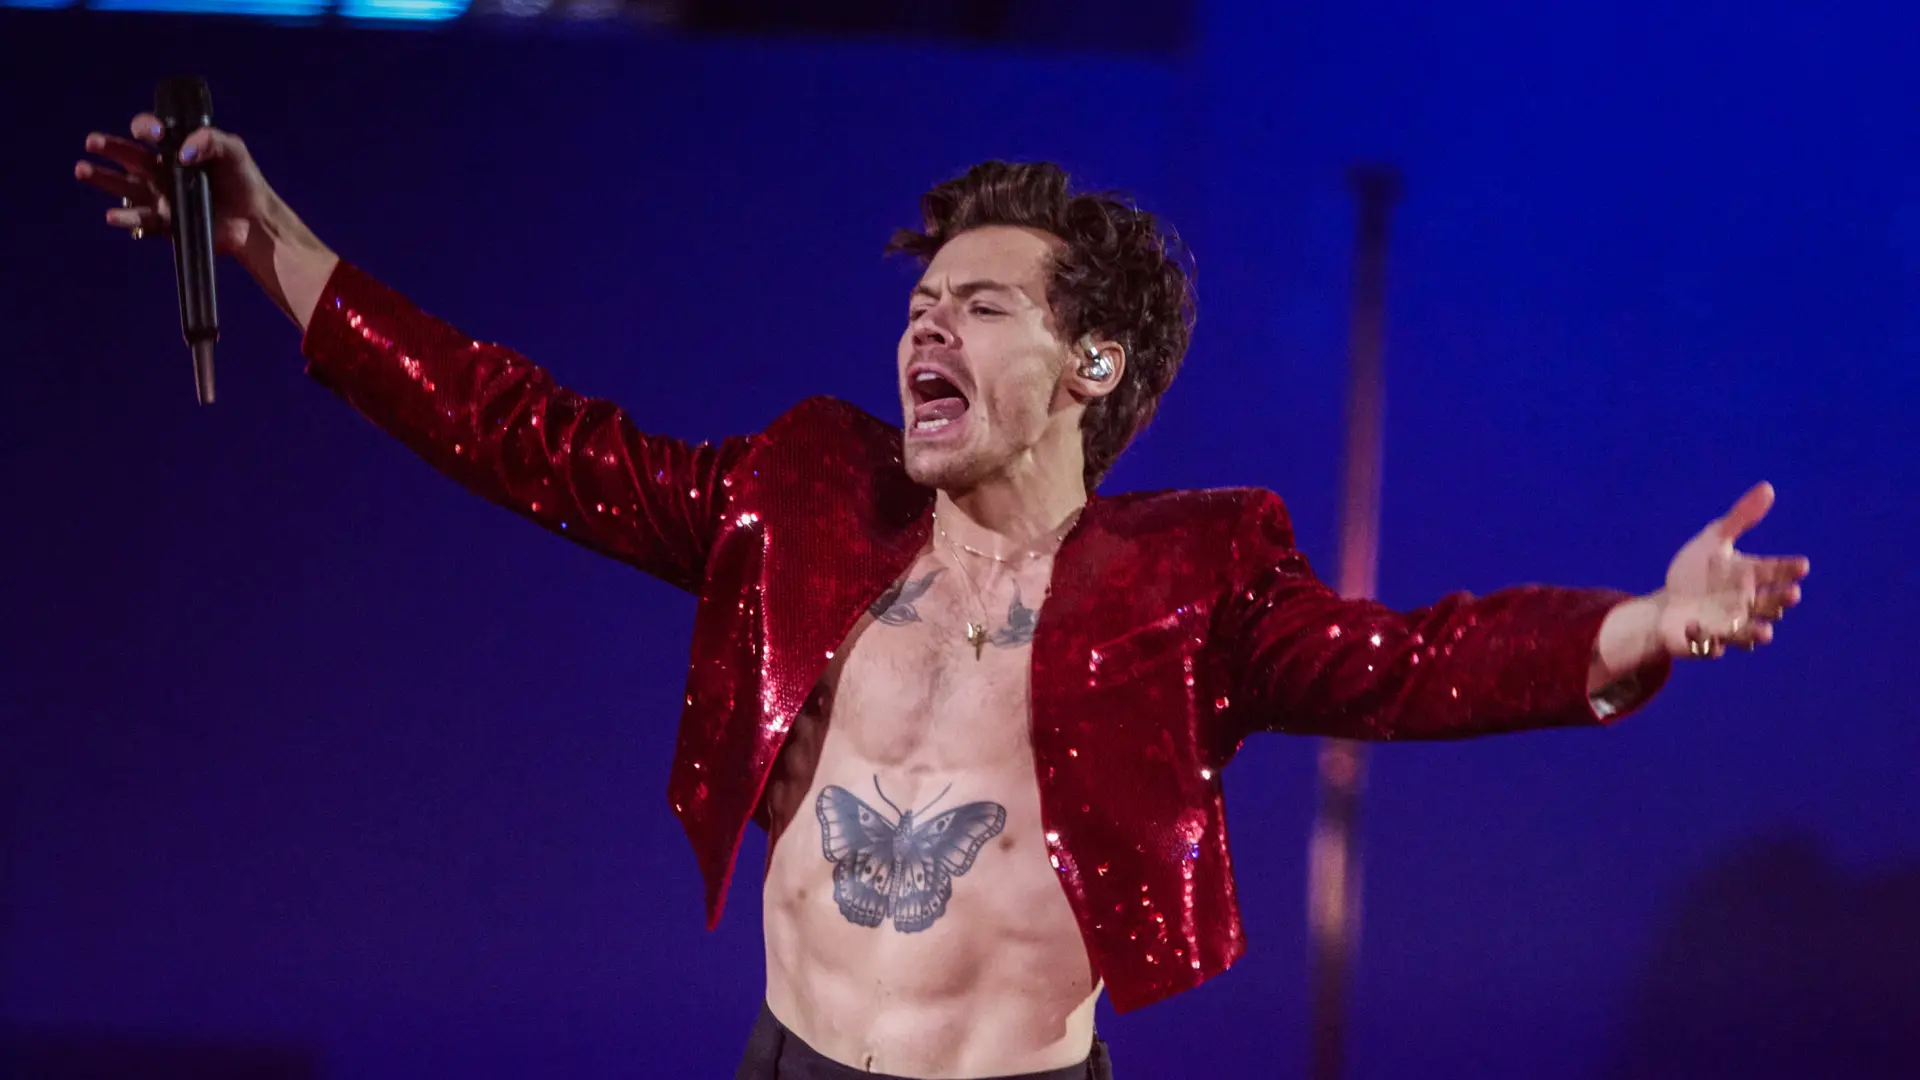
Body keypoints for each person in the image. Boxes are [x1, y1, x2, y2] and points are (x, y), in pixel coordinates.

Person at [75, 113, 1809, 1080]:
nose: (927, 323)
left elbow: (1408, 660)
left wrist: (1640, 624)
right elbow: (526, 435)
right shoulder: (799, 505)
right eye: (922, 304)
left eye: (982, 306)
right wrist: (273, 247)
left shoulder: (1185, 587)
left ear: (1088, 365)